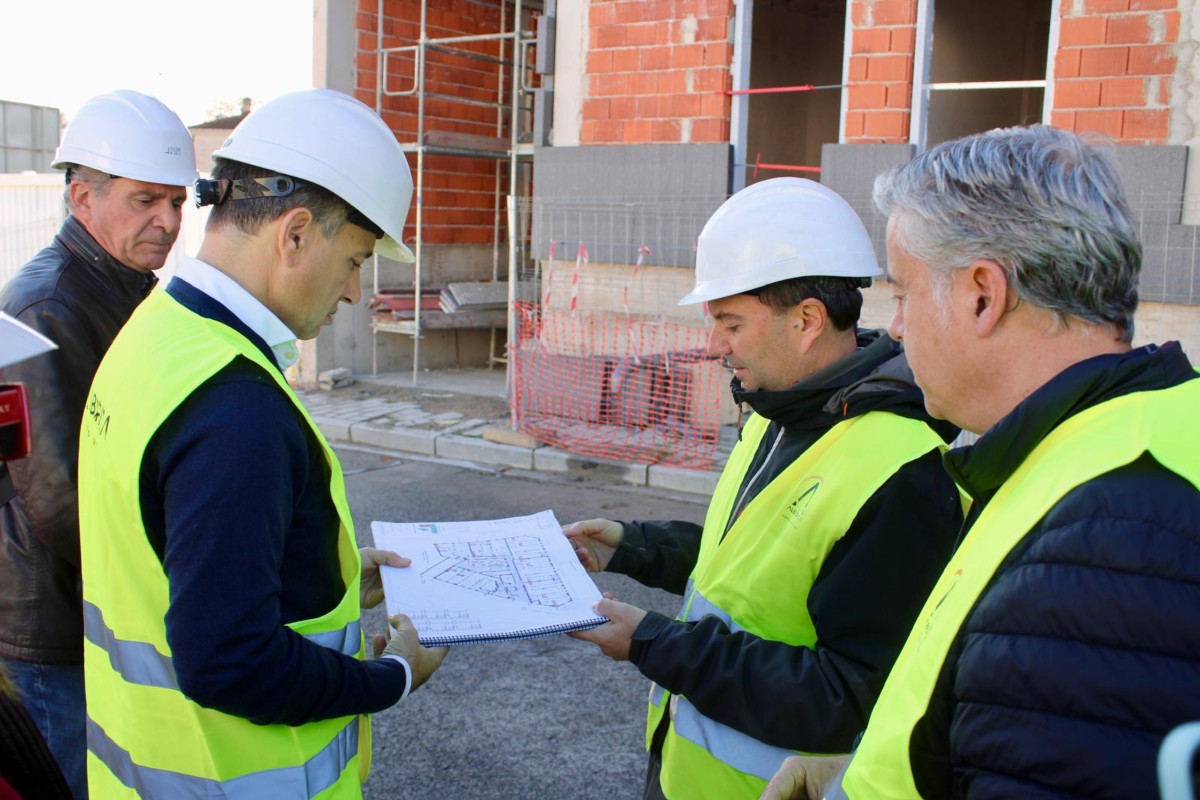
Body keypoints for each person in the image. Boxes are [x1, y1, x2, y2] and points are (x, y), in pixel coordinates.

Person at [763, 125, 1200, 800]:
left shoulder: (1100, 553)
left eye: (904, 293)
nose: (898, 328)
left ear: (981, 295)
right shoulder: (1134, 443)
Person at [76, 89, 447, 797]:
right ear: (297, 233)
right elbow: (232, 662)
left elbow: (175, 553)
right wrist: (390, 677)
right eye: (356, 260)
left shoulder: (157, 333)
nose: (353, 292)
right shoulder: (236, 407)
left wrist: (326, 572)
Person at [563, 177, 965, 799]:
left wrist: (655, 643)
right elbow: (747, 564)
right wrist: (630, 547)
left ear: (806, 320)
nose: (714, 345)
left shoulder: (903, 472)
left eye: (730, 323)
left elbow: (851, 696)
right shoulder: (780, 412)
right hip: (684, 776)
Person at [0, 89, 198, 798]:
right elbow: (59, 501)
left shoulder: (122, 286)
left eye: (178, 202)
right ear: (82, 197)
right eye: (147, 200)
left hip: (100, 615)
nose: (168, 221)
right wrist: (187, 580)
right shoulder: (45, 306)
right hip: (53, 631)